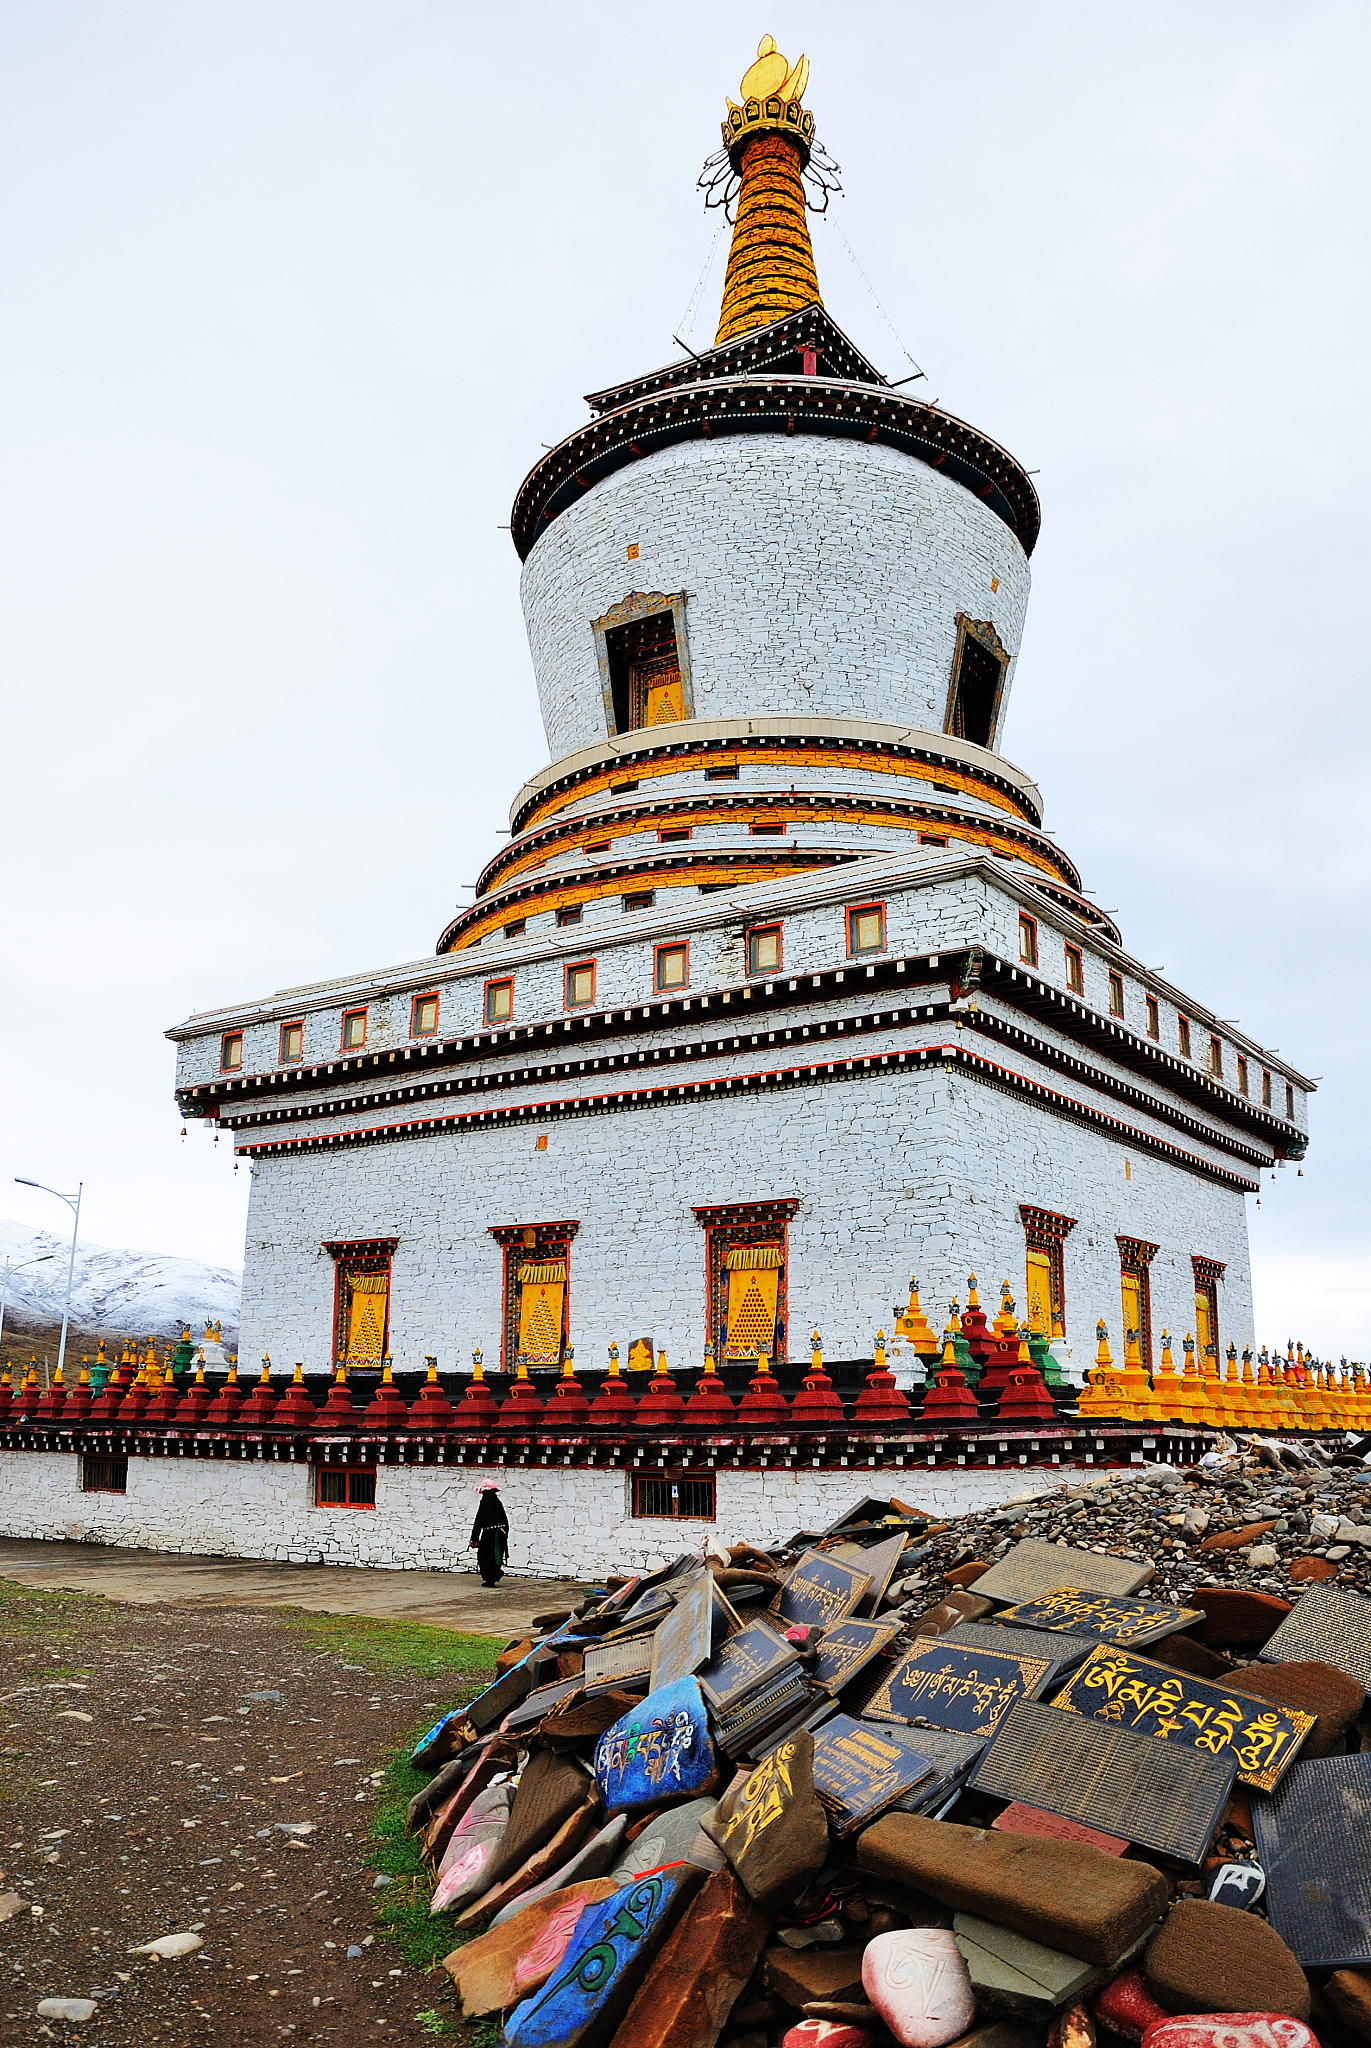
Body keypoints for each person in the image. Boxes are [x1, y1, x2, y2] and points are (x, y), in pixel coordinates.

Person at [469, 1482, 509, 1586]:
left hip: (490, 1533)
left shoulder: (485, 1501)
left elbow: (479, 1519)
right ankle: (492, 1576)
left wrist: (474, 1538)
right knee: (494, 1555)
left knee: (484, 1555)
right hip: (500, 1532)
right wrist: (505, 1534)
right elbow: (505, 1519)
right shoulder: (497, 1501)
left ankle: (492, 1575)